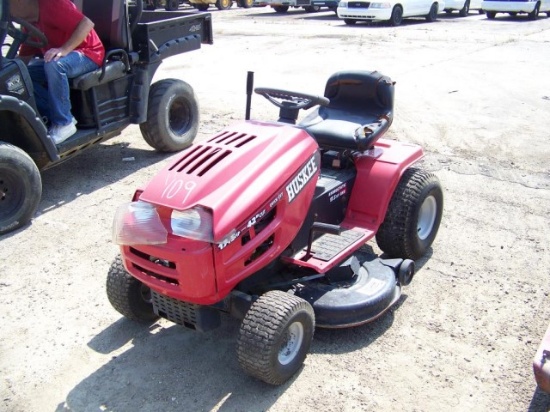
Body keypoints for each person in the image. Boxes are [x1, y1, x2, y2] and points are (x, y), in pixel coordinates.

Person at [9, 0, 105, 144]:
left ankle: (64, 123)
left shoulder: (52, 4)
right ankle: (49, 115)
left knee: (54, 65)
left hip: (88, 54)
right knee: (21, 75)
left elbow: (87, 23)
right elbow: (24, 57)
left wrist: (63, 50)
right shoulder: (29, 24)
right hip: (60, 60)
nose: (6, 9)